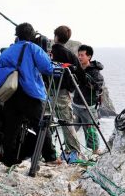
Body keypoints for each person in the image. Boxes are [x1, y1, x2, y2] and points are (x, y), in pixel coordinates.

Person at [0, 22, 60, 166]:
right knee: (41, 125)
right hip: (30, 93)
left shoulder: (7, 51)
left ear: (17, 35)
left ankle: (9, 160)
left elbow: (1, 73)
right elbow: (47, 68)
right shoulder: (33, 48)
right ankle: (50, 157)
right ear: (32, 34)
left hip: (11, 93)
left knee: (11, 129)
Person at [50, 26, 82, 158]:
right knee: (66, 120)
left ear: (56, 36)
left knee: (47, 121)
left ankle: (47, 150)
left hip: (46, 90)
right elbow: (80, 74)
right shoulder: (69, 55)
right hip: (62, 91)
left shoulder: (47, 51)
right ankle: (72, 152)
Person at [73, 44, 104, 155]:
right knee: (70, 129)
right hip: (76, 105)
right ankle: (71, 149)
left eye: (82, 55)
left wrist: (83, 77)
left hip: (88, 106)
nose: (79, 57)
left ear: (89, 57)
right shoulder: (77, 68)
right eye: (79, 55)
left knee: (90, 130)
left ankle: (95, 151)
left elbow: (97, 87)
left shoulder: (95, 72)